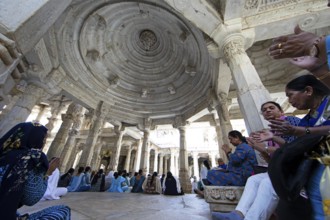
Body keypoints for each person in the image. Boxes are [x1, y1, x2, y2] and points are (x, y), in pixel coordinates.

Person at [211, 101, 300, 220]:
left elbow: (294, 148)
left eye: (271, 107)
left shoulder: (291, 122)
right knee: (254, 180)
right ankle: (238, 214)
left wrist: (267, 146)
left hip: (294, 167)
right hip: (279, 168)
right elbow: (271, 161)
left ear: (281, 111)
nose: (267, 110)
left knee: (267, 183)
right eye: (264, 110)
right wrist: (259, 148)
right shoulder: (270, 133)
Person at [0, 122, 70, 220]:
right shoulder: (33, 157)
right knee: (62, 211)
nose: (44, 142)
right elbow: (31, 199)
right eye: (43, 138)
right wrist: (48, 172)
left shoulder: (3, 155)